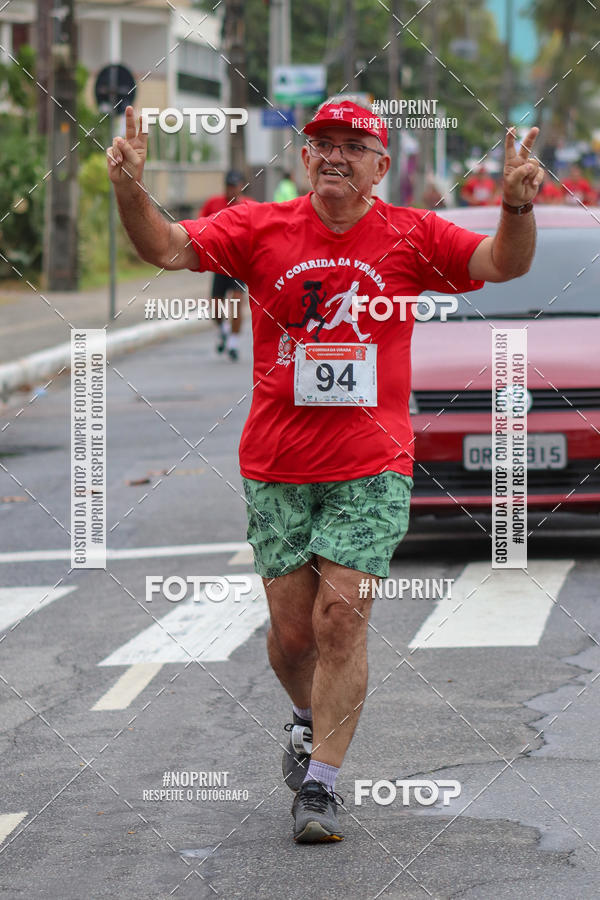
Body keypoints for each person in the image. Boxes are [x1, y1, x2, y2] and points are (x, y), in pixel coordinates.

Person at [107, 98, 543, 844]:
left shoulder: (412, 234)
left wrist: (513, 208)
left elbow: (503, 263)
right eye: (322, 144)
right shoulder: (259, 227)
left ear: (380, 164)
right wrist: (128, 190)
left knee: (339, 619)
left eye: (353, 145)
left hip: (372, 465)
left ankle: (323, 787)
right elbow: (168, 248)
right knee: (292, 637)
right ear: (304, 159)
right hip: (277, 465)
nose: (335, 155)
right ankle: (310, 719)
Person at [198, 169, 251, 361]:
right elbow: (200, 225)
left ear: (241, 187)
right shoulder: (214, 204)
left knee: (237, 303)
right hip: (219, 263)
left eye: (235, 186)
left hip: (238, 264)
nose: (231, 190)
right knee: (215, 308)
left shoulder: (249, 206)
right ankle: (223, 329)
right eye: (228, 186)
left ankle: (234, 344)